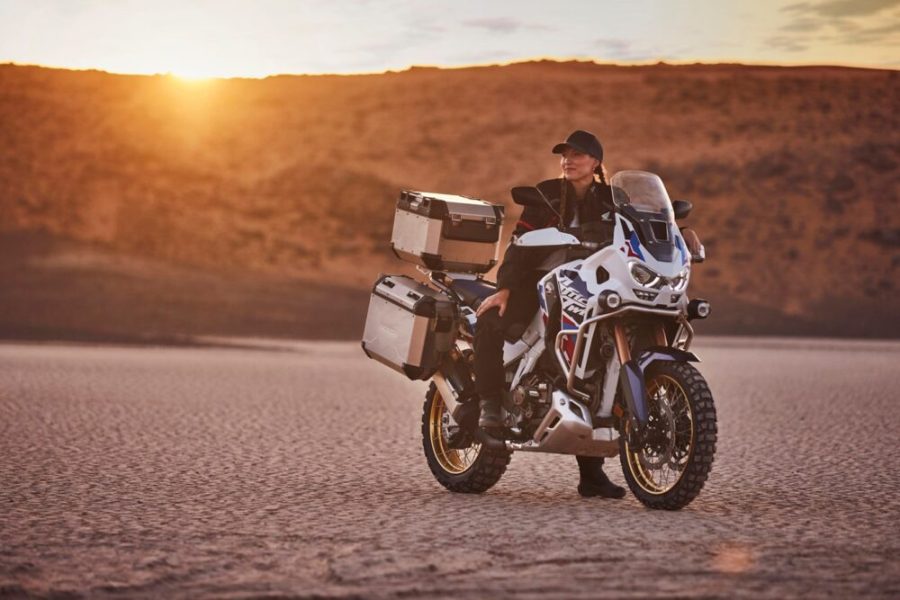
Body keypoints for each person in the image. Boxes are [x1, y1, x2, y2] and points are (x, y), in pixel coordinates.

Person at [472, 130, 703, 499]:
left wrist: (671, 230)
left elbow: (636, 234)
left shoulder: (613, 199)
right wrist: (504, 287)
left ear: (596, 163)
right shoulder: (546, 194)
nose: (568, 159)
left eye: (577, 154)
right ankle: (488, 407)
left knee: (595, 364)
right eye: (565, 154)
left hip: (594, 284)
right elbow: (519, 243)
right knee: (489, 320)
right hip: (541, 281)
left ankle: (591, 476)